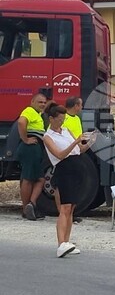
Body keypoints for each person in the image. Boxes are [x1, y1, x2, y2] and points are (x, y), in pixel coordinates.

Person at [42, 105, 93, 257]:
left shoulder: (66, 131)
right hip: (64, 171)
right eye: (59, 119)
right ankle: (60, 243)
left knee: (71, 208)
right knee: (64, 208)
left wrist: (89, 142)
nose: (61, 122)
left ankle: (67, 241)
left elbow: (79, 150)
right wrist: (75, 142)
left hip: (76, 170)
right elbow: (59, 154)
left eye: (63, 119)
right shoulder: (48, 137)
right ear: (51, 119)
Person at [15, 92, 49, 220]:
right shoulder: (29, 111)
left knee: (40, 179)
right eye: (40, 102)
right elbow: (21, 122)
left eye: (44, 102)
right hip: (29, 148)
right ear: (32, 102)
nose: (43, 104)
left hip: (35, 149)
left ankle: (32, 204)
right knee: (28, 179)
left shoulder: (38, 114)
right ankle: (25, 209)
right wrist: (26, 139)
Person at [63, 96, 85, 224]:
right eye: (80, 105)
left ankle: (71, 212)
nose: (81, 108)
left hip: (77, 153)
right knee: (65, 186)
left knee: (76, 185)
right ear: (76, 105)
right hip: (66, 155)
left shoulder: (76, 118)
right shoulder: (63, 118)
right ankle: (63, 211)